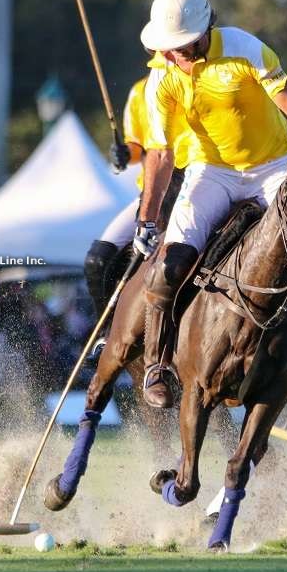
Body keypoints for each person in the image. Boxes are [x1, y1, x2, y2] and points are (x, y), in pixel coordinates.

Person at [136, 0, 287, 408]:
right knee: (169, 264)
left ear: (205, 29)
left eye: (185, 44)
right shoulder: (161, 77)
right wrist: (147, 218)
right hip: (211, 171)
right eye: (170, 46)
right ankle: (156, 363)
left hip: (271, 168)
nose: (177, 52)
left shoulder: (245, 48)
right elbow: (160, 154)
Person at [82, 71, 193, 359]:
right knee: (97, 260)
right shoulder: (140, 91)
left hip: (197, 188)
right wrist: (123, 153)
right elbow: (137, 145)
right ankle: (106, 332)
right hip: (152, 194)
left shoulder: (197, 81)